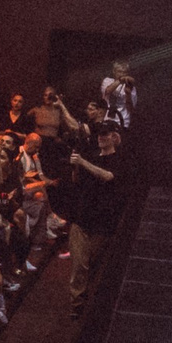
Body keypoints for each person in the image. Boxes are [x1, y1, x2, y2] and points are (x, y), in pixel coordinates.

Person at [66, 120, 124, 318]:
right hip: (82, 218)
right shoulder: (91, 156)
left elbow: (108, 176)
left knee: (93, 263)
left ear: (114, 137)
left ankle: (89, 300)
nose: (100, 138)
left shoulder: (119, 159)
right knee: (79, 264)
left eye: (105, 134)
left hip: (103, 223)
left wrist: (82, 162)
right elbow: (77, 181)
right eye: (99, 134)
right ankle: (77, 303)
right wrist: (75, 166)